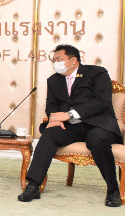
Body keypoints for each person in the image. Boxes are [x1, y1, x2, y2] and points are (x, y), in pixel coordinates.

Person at [19, 44, 123, 207]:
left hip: (98, 124)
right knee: (49, 133)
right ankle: (33, 185)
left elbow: (102, 102)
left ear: (73, 60)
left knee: (96, 140)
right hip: (72, 127)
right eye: (54, 60)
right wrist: (55, 118)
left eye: (59, 59)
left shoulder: (97, 73)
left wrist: (69, 114)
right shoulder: (53, 80)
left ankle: (113, 190)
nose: (56, 63)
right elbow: (51, 105)